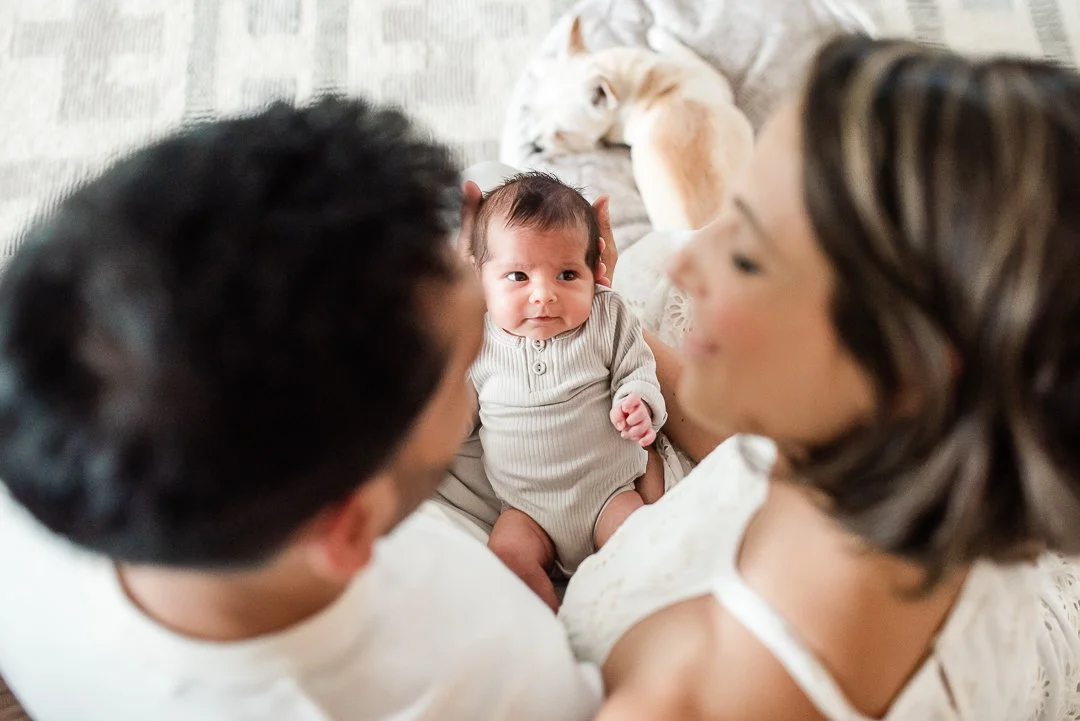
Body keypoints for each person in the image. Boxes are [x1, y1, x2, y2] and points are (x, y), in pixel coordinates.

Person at [0, 97, 602, 721]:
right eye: (476, 348)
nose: (470, 269)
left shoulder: (30, 455)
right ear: (349, 530)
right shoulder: (487, 659)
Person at [558, 34, 1080, 720]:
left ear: (907, 367)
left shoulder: (689, 694)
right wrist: (606, 328)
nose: (690, 263)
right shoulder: (912, 476)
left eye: (748, 256)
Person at [468, 171, 666, 609]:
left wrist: (638, 403)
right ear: (481, 280)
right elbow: (454, 419)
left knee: (645, 548)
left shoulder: (605, 315)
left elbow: (638, 370)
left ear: (594, 272)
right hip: (525, 509)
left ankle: (625, 626)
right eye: (518, 275)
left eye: (566, 274)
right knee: (504, 560)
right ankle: (555, 634)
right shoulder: (476, 340)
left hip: (609, 495)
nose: (544, 295)